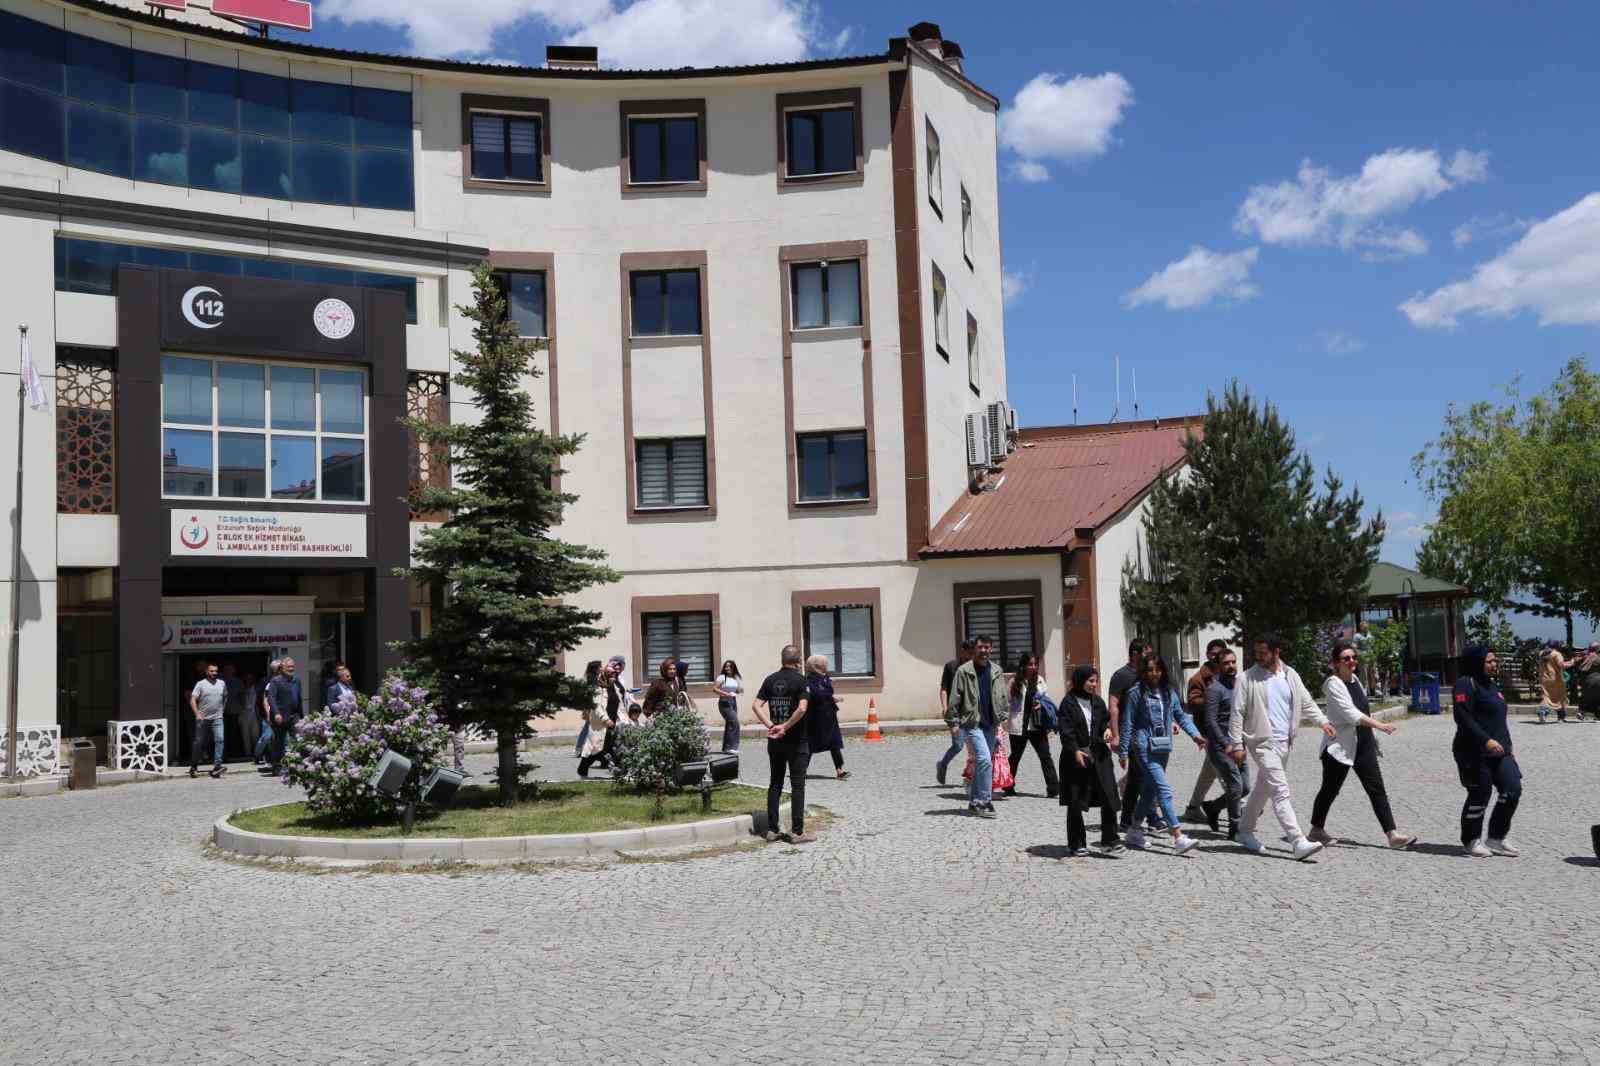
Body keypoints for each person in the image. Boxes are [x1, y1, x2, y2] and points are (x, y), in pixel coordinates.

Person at [1227, 634, 1332, 861]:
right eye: (1256, 653)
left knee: (1263, 789)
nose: (1259, 657)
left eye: (1263, 653)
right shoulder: (1246, 679)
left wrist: (1323, 722)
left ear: (1276, 652)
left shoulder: (1290, 675)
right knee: (1280, 790)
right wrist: (1236, 744)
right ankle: (1298, 841)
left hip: (1285, 743)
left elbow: (1306, 702)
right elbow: (1237, 713)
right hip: (1262, 743)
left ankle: (1243, 830)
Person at [1309, 641, 1418, 849]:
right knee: (1330, 790)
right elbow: (1351, 714)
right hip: (1339, 748)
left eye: (1353, 657)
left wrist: (1373, 738)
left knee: (1376, 788)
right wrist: (1380, 725)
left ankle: (1392, 834)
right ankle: (1316, 829)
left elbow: (1364, 710)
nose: (1351, 662)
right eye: (1346, 658)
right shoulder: (1333, 684)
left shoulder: (1356, 680)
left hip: (1363, 744)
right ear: (1335, 663)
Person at [1117, 654, 1204, 854]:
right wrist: (1123, 751)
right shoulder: (1135, 693)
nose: (1153, 673)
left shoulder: (1168, 692)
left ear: (1163, 671)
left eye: (1157, 669)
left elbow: (1181, 716)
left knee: (1149, 791)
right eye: (1149, 670)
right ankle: (1178, 836)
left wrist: (1196, 736)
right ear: (1143, 672)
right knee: (1163, 789)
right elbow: (1128, 722)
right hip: (1143, 747)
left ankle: (1134, 830)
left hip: (1163, 747)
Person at [1453, 644, 1522, 857]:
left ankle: (1496, 838)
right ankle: (1471, 840)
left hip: (1501, 752)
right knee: (1480, 794)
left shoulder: (1492, 686)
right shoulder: (1465, 684)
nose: (1494, 665)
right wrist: (1485, 740)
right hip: (1473, 751)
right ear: (1477, 663)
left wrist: (1508, 748)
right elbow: (1463, 718)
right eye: (1489, 661)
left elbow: (1499, 722)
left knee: (1512, 789)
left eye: (1494, 661)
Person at [1057, 665, 1123, 855]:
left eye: (1095, 681)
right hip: (1076, 758)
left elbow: (1103, 722)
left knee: (1109, 794)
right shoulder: (1068, 703)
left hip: (1100, 756)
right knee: (1075, 800)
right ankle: (1076, 843)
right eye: (1090, 681)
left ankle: (1110, 839)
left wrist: (1107, 730)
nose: (1094, 685)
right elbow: (1066, 730)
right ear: (1080, 681)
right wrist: (1075, 750)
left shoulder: (1098, 702)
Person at [944, 634, 1011, 819]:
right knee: (984, 760)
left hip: (991, 724)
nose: (984, 651)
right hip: (972, 723)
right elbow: (955, 697)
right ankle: (984, 800)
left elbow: (1002, 695)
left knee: (984, 762)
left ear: (991, 649)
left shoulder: (996, 670)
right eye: (981, 647)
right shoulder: (964, 671)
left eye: (987, 647)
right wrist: (953, 722)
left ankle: (974, 802)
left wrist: (1003, 715)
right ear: (975, 649)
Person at [752, 645, 813, 843]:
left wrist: (772, 726)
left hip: (775, 740)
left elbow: (756, 705)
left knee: (775, 782)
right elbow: (802, 709)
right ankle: (797, 832)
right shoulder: (801, 681)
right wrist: (785, 726)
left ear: (782, 659)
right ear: (798, 661)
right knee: (797, 785)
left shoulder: (770, 680)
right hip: (796, 740)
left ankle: (771, 829)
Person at [1199, 649, 1250, 839]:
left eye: (1233, 662)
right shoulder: (1214, 689)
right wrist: (1225, 743)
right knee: (1236, 786)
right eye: (1226, 663)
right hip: (1222, 747)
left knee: (1245, 787)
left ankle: (1213, 807)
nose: (1231, 666)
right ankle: (1235, 827)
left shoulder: (1238, 685)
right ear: (1219, 666)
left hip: (1238, 743)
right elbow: (1210, 721)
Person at [1181, 639, 1230, 823]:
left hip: (1227, 731)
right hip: (1209, 732)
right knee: (1225, 771)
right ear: (1208, 655)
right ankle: (1241, 809)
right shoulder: (1198, 679)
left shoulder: (1228, 675)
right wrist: (1213, 698)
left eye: (1220, 653)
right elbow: (1192, 703)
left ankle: (1193, 808)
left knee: (1209, 773)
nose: (1216, 657)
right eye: (1213, 653)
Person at [1108, 638, 1154, 833]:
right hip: (1131, 733)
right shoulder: (1121, 676)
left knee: (1141, 776)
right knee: (1142, 774)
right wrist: (1116, 736)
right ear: (1135, 653)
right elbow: (1114, 706)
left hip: (1149, 732)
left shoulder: (1149, 674)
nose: (1149, 657)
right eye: (1146, 653)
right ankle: (1151, 817)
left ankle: (1130, 818)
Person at [1005, 651, 1058, 798]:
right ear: (1023, 665)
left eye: (1035, 664)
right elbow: (1006, 702)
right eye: (1030, 664)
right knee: (1015, 756)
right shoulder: (1014, 682)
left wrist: (1040, 705)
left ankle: (1053, 788)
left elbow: (1046, 699)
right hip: (1019, 725)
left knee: (1045, 755)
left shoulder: (1040, 680)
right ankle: (1008, 785)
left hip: (1037, 725)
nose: (1033, 667)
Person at [935, 640, 976, 785]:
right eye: (969, 653)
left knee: (975, 744)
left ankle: (972, 776)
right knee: (958, 744)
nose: (972, 656)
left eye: (973, 653)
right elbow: (944, 688)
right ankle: (943, 764)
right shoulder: (951, 667)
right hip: (954, 712)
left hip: (970, 712)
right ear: (962, 651)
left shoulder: (975, 667)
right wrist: (945, 707)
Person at [804, 655, 849, 779]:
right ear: (816, 666)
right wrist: (831, 697)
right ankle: (801, 770)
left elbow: (826, 692)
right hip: (816, 716)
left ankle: (840, 770)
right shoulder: (809, 679)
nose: (826, 665)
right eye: (824, 663)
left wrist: (831, 698)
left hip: (829, 715)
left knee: (834, 742)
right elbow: (816, 695)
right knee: (811, 744)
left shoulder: (825, 678)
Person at [188, 661, 228, 779]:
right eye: (211, 671)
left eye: (216, 671)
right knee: (199, 742)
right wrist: (197, 713)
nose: (214, 673)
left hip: (218, 718)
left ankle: (217, 767)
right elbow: (192, 700)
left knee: (220, 740)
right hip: (203, 718)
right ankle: (194, 766)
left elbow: (225, 696)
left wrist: (222, 710)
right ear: (206, 672)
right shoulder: (200, 684)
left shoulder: (222, 683)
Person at [265, 656, 303, 773]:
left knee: (297, 740)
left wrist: (302, 715)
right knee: (279, 742)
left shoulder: (297, 680)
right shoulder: (275, 681)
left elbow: (298, 697)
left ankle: (296, 765)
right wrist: (276, 713)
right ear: (282, 668)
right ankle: (276, 765)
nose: (291, 669)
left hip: (294, 715)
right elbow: (271, 698)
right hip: (280, 717)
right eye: (288, 667)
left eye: (292, 667)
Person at [577, 660, 612, 778]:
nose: (602, 668)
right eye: (600, 667)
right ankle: (585, 767)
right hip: (598, 718)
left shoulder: (599, 681)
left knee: (594, 744)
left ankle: (583, 769)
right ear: (596, 669)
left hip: (598, 717)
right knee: (596, 745)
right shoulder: (593, 684)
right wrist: (605, 718)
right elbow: (597, 704)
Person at [1538, 641, 1574, 724]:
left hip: (1544, 679)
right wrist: (1572, 662)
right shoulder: (1556, 654)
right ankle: (1561, 718)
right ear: (1557, 646)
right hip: (1556, 679)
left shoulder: (1541, 653)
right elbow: (1562, 665)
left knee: (1546, 697)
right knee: (1560, 697)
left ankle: (1543, 711)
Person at [253, 660, 279, 767]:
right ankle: (257, 754)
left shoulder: (283, 680)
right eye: (279, 668)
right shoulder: (266, 682)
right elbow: (263, 699)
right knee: (267, 736)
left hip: (279, 714)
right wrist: (267, 714)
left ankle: (273, 758)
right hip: (267, 714)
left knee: (277, 738)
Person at [714, 660, 743, 753]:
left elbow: (736, 690)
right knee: (735, 723)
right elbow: (714, 689)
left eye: (730, 666)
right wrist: (726, 694)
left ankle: (726, 748)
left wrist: (739, 690)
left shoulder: (734, 678)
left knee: (730, 724)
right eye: (726, 666)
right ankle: (732, 747)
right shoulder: (722, 677)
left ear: (733, 668)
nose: (727, 668)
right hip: (724, 702)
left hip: (733, 702)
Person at [1578, 643, 1600, 722]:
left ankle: (1582, 712)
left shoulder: (1584, 656)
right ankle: (1597, 716)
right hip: (1598, 680)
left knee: (1585, 697)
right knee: (1598, 699)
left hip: (1586, 681)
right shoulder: (1597, 658)